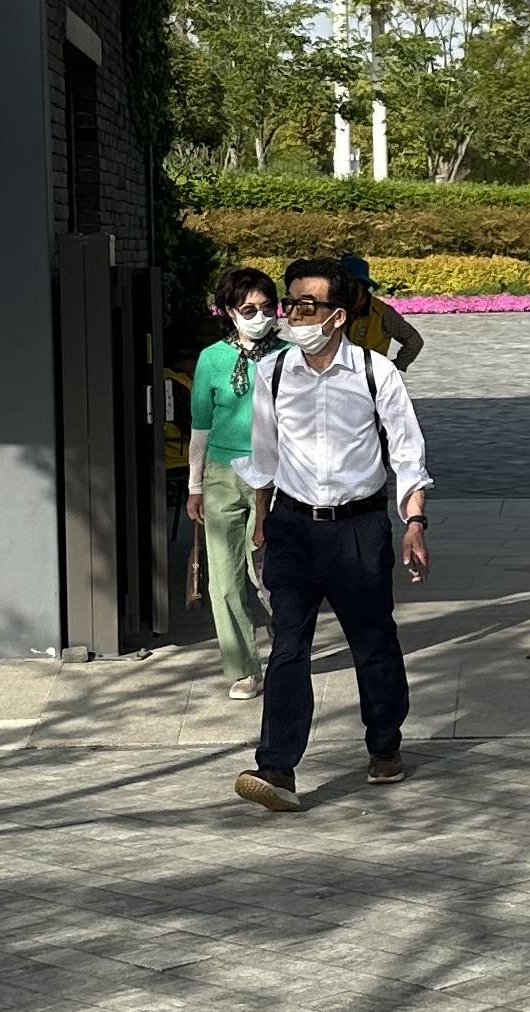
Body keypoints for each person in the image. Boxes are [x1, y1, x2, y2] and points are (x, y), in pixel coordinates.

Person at [236, 253, 430, 811]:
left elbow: (408, 453)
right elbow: (264, 455)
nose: (294, 316)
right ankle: (276, 767)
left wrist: (414, 522)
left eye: (307, 305)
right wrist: (262, 520)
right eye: (290, 304)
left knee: (373, 642)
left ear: (338, 315)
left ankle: (384, 744)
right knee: (288, 648)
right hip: (293, 526)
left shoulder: (375, 372)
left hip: (358, 528)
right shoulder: (272, 373)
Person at [184, 267, 274, 694]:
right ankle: (243, 667)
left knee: (270, 575)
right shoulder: (211, 359)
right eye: (249, 310)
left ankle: (287, 646)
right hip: (222, 473)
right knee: (224, 578)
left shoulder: (289, 357)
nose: (260, 317)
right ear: (229, 312)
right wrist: (194, 486)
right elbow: (200, 426)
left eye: (267, 308)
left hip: (274, 475)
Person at [332, 246, 426, 372]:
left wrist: (393, 368)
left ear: (364, 287)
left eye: (352, 287)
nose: (346, 293)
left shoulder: (382, 313)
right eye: (342, 287)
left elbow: (414, 341)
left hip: (368, 378)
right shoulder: (331, 308)